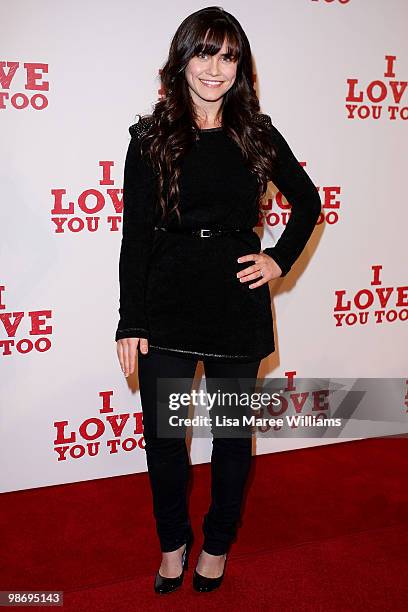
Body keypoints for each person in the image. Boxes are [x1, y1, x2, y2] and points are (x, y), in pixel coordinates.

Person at [115, 6, 321, 595]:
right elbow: (135, 238)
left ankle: (218, 542)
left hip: (235, 305)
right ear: (182, 60)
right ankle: (173, 542)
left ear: (241, 67)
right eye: (204, 52)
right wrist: (131, 320)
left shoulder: (257, 132)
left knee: (232, 437)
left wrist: (278, 260)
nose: (215, 68)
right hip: (167, 303)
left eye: (229, 56)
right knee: (165, 440)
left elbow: (308, 204)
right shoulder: (150, 138)